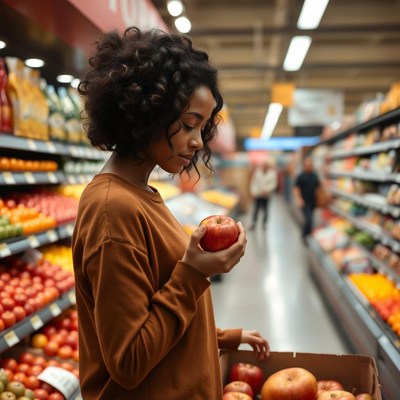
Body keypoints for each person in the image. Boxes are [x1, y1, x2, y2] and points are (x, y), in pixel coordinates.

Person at [72, 27, 269, 399]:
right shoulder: (113, 208)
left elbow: (155, 308)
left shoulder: (144, 195)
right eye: (190, 123)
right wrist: (195, 272)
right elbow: (128, 361)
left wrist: (224, 337)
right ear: (146, 111)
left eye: (204, 127)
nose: (198, 142)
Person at [293, 157, 320, 239]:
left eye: (310, 165)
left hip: (313, 201)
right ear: (304, 166)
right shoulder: (301, 176)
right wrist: (299, 199)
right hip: (304, 201)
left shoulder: (314, 175)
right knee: (309, 219)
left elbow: (318, 187)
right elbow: (296, 188)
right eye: (307, 165)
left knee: (310, 218)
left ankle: (308, 234)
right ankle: (305, 234)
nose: (309, 166)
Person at [248, 160, 277, 230]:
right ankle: (253, 223)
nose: (264, 167)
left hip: (266, 195)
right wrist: (253, 192)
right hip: (258, 194)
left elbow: (274, 184)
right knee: (256, 209)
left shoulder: (272, 173)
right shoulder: (258, 172)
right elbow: (254, 182)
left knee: (266, 210)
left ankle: (264, 224)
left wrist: (266, 190)